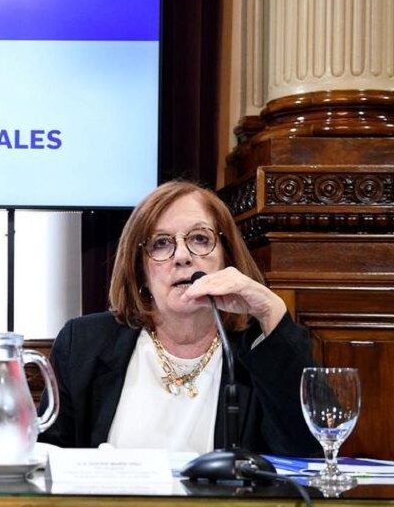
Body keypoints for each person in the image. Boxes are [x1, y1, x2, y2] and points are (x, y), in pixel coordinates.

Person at [38, 180, 320, 456]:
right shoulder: (84, 344)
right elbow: (45, 460)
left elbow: (306, 453)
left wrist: (271, 310)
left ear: (226, 258)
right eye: (161, 244)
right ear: (140, 272)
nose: (182, 256)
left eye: (200, 239)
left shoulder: (257, 350)